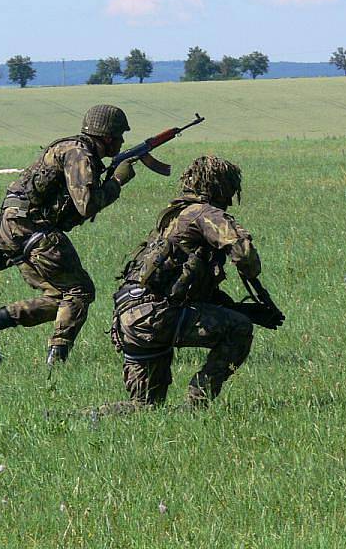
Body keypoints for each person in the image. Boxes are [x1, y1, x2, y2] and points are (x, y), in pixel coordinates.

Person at [0, 104, 136, 366]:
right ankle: (57, 360)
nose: (123, 141)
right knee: (79, 291)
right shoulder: (79, 154)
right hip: (32, 229)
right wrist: (116, 182)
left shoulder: (70, 149)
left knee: (58, 297)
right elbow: (86, 205)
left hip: (12, 229)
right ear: (108, 136)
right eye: (120, 136)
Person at [111, 155, 282, 406]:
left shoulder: (172, 219)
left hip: (132, 318)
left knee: (145, 407)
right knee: (239, 328)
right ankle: (198, 403)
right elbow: (243, 253)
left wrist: (241, 308)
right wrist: (251, 275)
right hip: (157, 315)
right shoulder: (205, 213)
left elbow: (186, 287)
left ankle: (75, 418)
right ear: (221, 188)